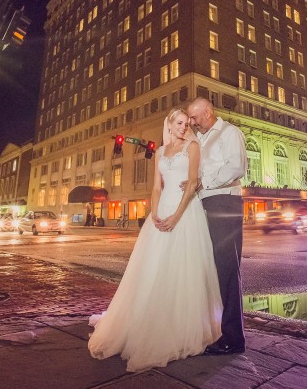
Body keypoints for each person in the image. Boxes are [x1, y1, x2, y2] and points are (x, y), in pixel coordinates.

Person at [88, 108, 222, 372]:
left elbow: (193, 183)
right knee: (151, 271)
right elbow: (156, 187)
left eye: (186, 123)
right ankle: (145, 321)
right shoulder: (160, 153)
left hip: (185, 212)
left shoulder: (192, 147)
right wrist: (154, 213)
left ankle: (180, 328)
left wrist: (175, 217)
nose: (184, 127)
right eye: (179, 123)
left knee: (181, 270)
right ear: (169, 125)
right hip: (161, 213)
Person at [188, 97, 248, 355]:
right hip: (203, 204)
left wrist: (205, 182)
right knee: (209, 269)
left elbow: (236, 166)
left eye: (195, 117)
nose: (192, 122)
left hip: (224, 203)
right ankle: (216, 328)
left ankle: (234, 339)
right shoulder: (199, 139)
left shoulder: (230, 132)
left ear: (208, 112)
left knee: (226, 269)